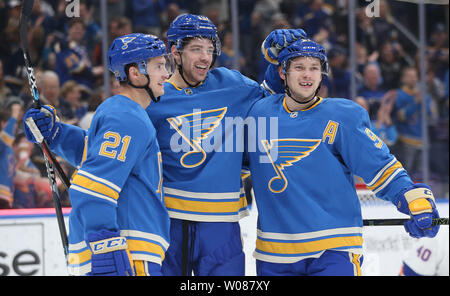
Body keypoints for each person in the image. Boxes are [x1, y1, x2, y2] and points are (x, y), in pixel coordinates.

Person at [243, 38, 440, 276]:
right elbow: (235, 164)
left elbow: (380, 167)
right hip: (274, 254)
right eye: (299, 67)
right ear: (283, 73)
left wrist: (412, 198)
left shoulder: (341, 116)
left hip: (333, 249)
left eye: (314, 67)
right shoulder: (259, 114)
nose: (308, 75)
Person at [146, 13, 305, 276]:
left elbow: (272, 99)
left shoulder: (231, 84)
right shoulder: (155, 97)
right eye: (196, 49)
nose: (206, 58)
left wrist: (279, 57)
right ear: (175, 52)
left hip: (224, 222)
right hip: (171, 220)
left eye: (210, 49)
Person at [22, 33, 173, 276]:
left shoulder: (120, 112)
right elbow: (92, 187)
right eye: (159, 66)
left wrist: (56, 133)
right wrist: (107, 249)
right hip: (129, 253)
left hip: (125, 251)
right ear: (135, 73)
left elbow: (97, 159)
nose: (166, 73)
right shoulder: (128, 117)